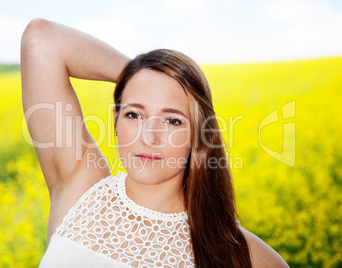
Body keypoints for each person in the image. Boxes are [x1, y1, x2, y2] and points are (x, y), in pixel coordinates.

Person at [21, 18, 289, 268]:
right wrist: (143, 76)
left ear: (200, 133)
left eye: (173, 121)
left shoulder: (238, 252)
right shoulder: (80, 190)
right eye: (134, 115)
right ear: (115, 121)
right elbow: (41, 39)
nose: (149, 137)